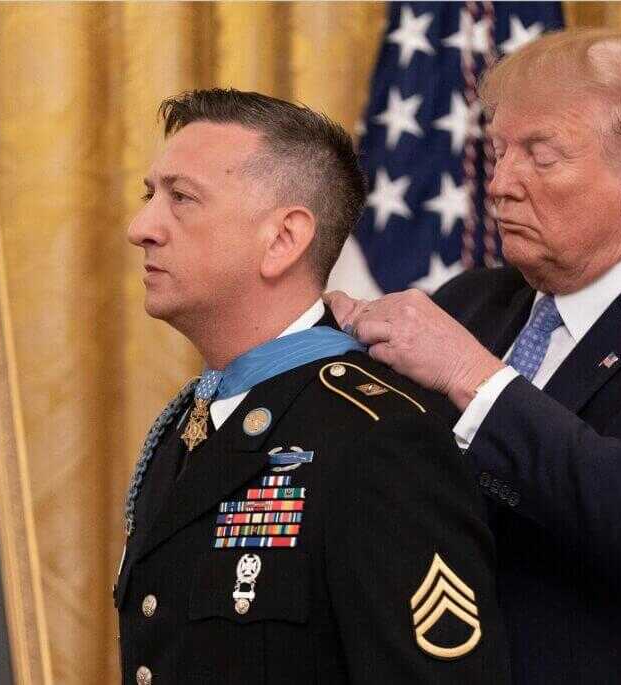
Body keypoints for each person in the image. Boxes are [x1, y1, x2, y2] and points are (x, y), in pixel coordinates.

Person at [326, 29, 621, 684]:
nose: (499, 184)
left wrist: (474, 378)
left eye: (540, 156)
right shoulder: (470, 303)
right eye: (498, 152)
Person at [114, 88, 508, 684]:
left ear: (283, 239)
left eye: (182, 198)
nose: (140, 227)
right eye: (150, 196)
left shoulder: (380, 440)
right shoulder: (189, 423)